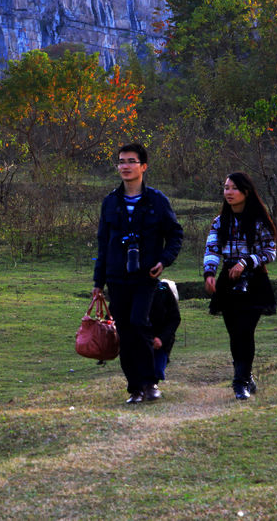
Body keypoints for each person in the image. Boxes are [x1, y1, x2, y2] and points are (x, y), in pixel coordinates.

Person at [93, 143, 183, 404]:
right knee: (125, 330)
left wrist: (164, 260)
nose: (125, 166)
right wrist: (98, 282)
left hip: (146, 277)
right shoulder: (110, 202)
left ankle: (150, 382)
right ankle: (134, 388)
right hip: (117, 277)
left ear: (143, 166)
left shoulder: (157, 200)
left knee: (139, 323)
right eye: (121, 161)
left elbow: (175, 234)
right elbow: (102, 243)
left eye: (131, 161)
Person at [203, 172, 277, 400]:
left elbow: (270, 252)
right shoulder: (220, 221)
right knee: (235, 334)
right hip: (228, 282)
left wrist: (245, 262)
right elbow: (212, 249)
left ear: (246, 191)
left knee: (246, 331)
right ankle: (245, 375)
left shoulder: (258, 220)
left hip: (254, 281)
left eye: (234, 188)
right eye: (226, 188)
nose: (229, 192)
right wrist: (209, 274)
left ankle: (239, 383)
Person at [149, 279, 181, 392]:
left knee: (157, 368)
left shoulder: (163, 289)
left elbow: (175, 318)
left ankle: (152, 385)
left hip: (162, 340)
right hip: (141, 338)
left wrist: (161, 339)